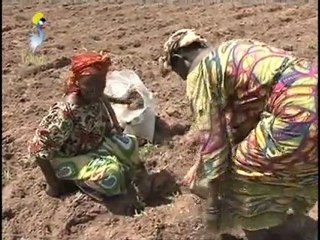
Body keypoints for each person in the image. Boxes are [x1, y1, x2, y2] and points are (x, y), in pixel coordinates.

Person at [159, 29, 318, 239]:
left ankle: (258, 233)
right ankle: (288, 221)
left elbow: (213, 141)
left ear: (179, 59)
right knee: (281, 165)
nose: (181, 78)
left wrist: (213, 201)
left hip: (297, 113)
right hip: (309, 93)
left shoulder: (201, 72)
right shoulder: (233, 49)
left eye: (176, 71)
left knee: (241, 172)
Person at [28, 52, 150, 202]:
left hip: (95, 147)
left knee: (130, 143)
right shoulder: (66, 113)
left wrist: (121, 104)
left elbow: (102, 97)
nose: (97, 93)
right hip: (72, 158)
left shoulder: (93, 93)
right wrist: (53, 185)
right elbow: (38, 148)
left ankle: (108, 168)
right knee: (112, 174)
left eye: (101, 87)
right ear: (78, 83)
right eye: (91, 89)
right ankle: (74, 181)